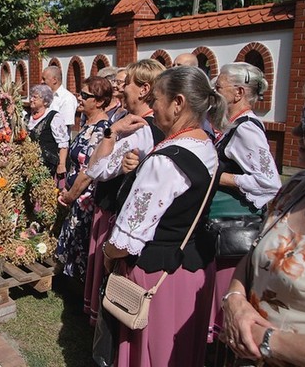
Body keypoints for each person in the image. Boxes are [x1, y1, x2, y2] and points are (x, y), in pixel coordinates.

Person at [103, 66, 229, 367]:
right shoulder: (205, 145)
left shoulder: (165, 161)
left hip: (156, 277)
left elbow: (127, 239)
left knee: (153, 354)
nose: (152, 106)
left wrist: (108, 254)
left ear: (178, 103)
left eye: (156, 99)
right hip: (190, 272)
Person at [222, 72, 305, 367]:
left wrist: (269, 342)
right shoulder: (300, 185)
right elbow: (256, 250)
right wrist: (234, 299)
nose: (296, 132)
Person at [84, 59, 166, 324]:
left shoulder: (138, 128)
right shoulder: (157, 125)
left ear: (144, 89)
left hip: (121, 213)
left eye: (127, 83)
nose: (121, 89)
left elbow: (96, 170)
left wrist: (111, 132)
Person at [208, 62, 282, 341]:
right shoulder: (233, 126)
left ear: (238, 92)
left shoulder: (246, 129)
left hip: (231, 226)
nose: (215, 91)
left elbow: (269, 182)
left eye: (219, 87)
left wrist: (220, 177)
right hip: (221, 224)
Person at [56, 76, 111, 278]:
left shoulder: (101, 130)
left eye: (85, 95)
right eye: (80, 93)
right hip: (76, 196)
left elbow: (88, 170)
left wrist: (71, 194)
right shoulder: (88, 122)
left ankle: (80, 294)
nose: (79, 98)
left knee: (82, 244)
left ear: (99, 101)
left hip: (85, 198)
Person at [26, 84, 69, 177]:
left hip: (47, 167)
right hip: (27, 167)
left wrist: (61, 165)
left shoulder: (54, 117)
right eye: (31, 97)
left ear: (45, 102)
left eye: (35, 97)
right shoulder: (26, 117)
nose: (31, 100)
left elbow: (63, 143)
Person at [42, 65, 77, 133]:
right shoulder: (45, 96)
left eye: (44, 79)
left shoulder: (67, 98)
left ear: (54, 80)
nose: (41, 82)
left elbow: (65, 126)